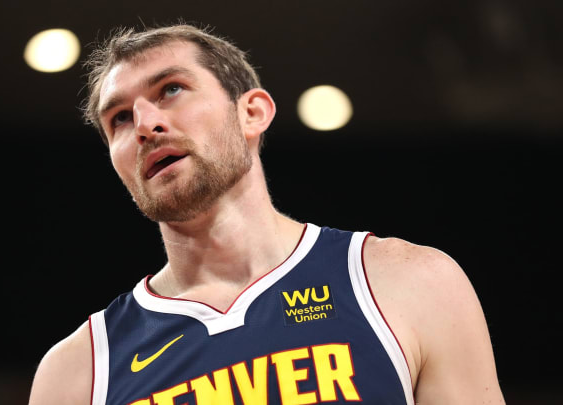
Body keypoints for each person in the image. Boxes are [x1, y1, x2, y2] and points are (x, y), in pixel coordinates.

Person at [28, 24, 505, 404]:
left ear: (251, 113)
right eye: (120, 119)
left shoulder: (409, 284)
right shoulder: (79, 373)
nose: (147, 125)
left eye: (171, 89)